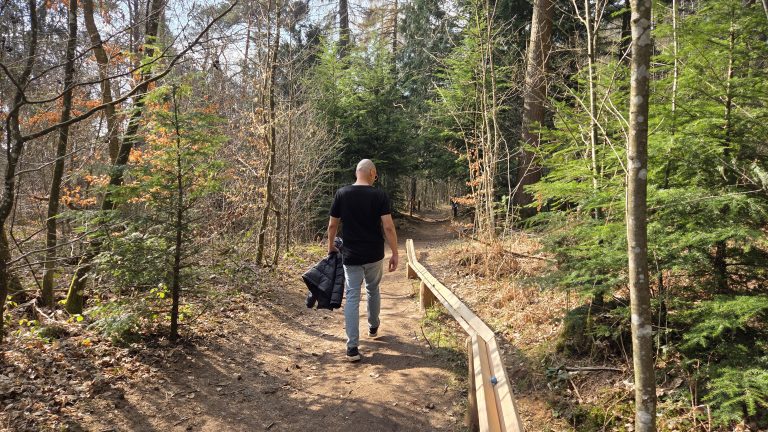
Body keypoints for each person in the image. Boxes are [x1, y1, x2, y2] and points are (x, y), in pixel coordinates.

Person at [327, 159, 399, 362]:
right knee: (373, 289)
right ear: (372, 173)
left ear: (356, 172)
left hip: (350, 256)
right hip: (374, 254)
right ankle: (373, 327)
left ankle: (352, 348)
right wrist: (395, 252)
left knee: (351, 297)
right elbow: (388, 227)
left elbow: (333, 225)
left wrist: (330, 245)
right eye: (375, 174)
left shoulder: (342, 193)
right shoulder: (379, 195)